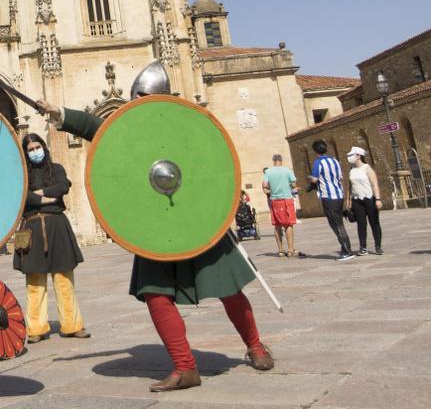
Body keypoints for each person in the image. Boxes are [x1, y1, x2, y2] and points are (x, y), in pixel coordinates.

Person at [35, 91, 273, 393]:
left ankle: (256, 347)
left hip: (196, 218)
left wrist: (216, 205)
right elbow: (98, 127)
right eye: (138, 98)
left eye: (144, 98)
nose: (139, 103)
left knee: (228, 287)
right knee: (157, 295)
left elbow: (211, 162)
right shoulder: (133, 134)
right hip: (157, 226)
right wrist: (58, 111)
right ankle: (185, 367)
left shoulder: (184, 126)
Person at [13, 132, 89, 343]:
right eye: (30, 149)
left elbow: (63, 186)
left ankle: (72, 325)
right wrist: (47, 198)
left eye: (37, 147)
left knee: (64, 278)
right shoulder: (22, 175)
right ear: (25, 153)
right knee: (35, 280)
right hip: (32, 228)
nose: (34, 152)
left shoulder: (56, 169)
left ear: (44, 148)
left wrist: (38, 194)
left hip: (57, 225)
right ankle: (36, 328)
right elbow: (21, 195)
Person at [309, 140, 354, 261]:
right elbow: (340, 177)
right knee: (339, 222)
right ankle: (346, 247)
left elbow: (314, 179)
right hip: (339, 195)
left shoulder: (318, 162)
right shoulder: (334, 161)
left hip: (328, 196)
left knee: (335, 223)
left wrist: (311, 180)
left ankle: (347, 250)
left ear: (316, 151)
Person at [344, 146, 383, 255]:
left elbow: (375, 184)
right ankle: (363, 247)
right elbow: (349, 186)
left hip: (369, 198)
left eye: (352, 155)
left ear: (358, 156)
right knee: (361, 224)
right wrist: (348, 199)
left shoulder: (367, 168)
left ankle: (378, 246)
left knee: (374, 223)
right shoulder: (351, 170)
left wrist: (378, 199)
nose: (349, 157)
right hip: (357, 200)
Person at [263, 155, 298, 257]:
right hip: (287, 199)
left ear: (273, 161)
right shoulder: (287, 170)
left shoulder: (268, 172)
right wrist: (289, 186)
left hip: (275, 200)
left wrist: (272, 191)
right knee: (289, 224)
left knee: (277, 225)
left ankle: (281, 250)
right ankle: (290, 249)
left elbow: (265, 187)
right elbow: (294, 184)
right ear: (281, 161)